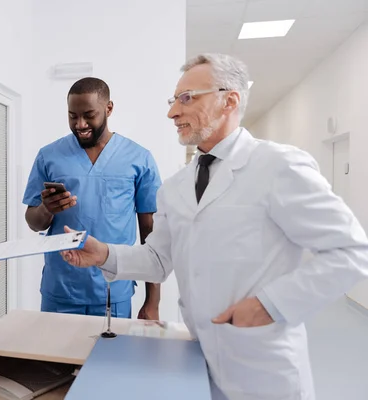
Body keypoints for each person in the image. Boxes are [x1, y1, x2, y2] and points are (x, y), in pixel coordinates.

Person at [60, 53, 368, 400]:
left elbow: (352, 251)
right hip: (198, 360)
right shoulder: (175, 187)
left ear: (229, 100)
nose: (172, 112)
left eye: (186, 98)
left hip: (264, 369)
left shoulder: (277, 166)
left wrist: (271, 304)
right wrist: (102, 253)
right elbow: (158, 260)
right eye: (173, 100)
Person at [22, 77, 162, 320]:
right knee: (54, 358)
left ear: (109, 109)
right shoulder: (49, 156)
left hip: (113, 289)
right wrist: (47, 208)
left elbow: (150, 232)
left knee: (110, 359)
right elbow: (34, 223)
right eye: (72, 116)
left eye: (89, 115)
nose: (80, 124)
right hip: (61, 289)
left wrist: (153, 301)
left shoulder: (139, 158)